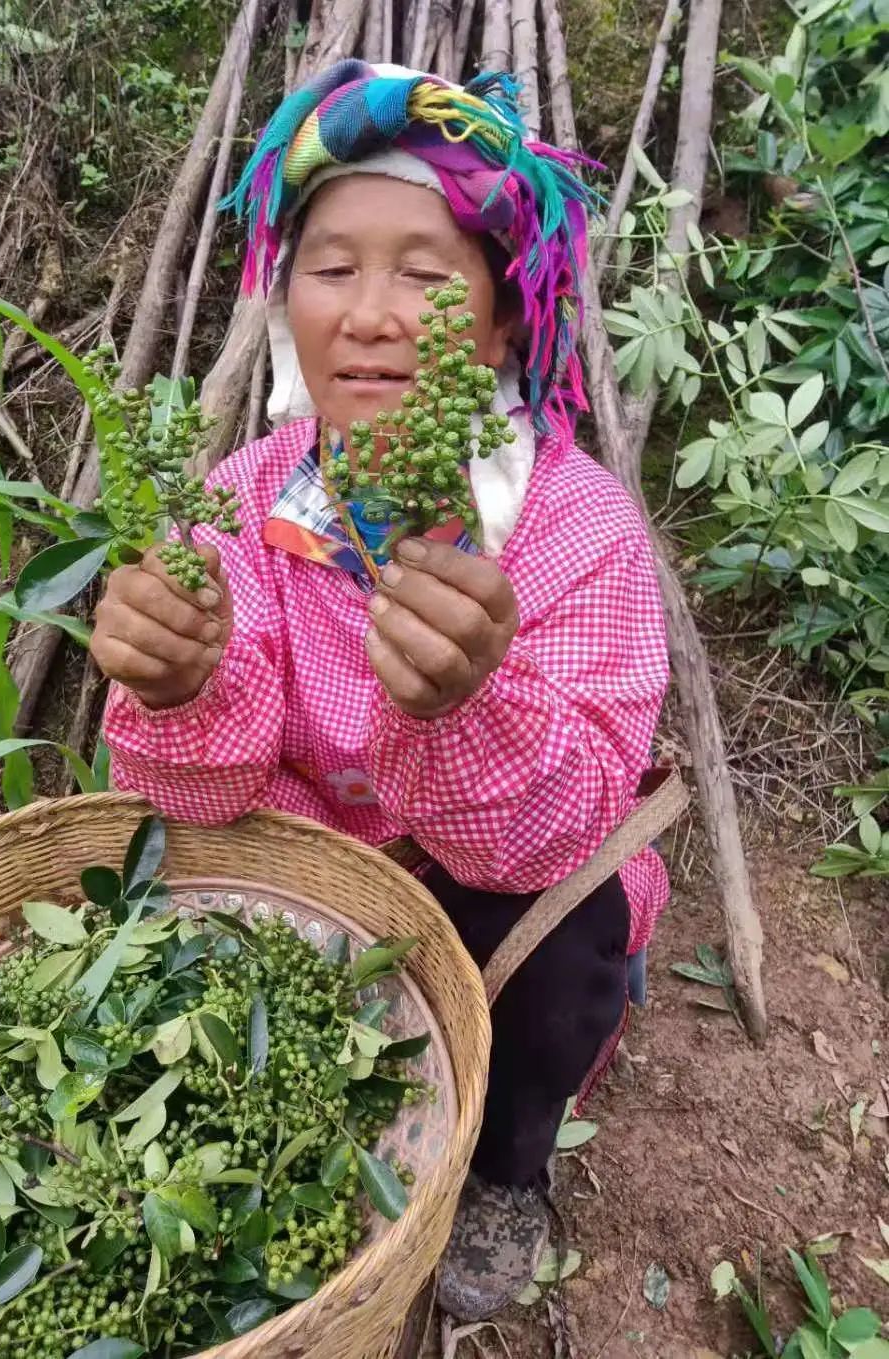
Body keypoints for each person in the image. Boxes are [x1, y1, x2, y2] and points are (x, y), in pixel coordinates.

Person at [91, 59, 669, 1320]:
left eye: (426, 274)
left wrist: (470, 703)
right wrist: (183, 681)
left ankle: (509, 1169)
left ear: (506, 316)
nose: (372, 313)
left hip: (504, 888)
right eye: (334, 269)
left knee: (577, 936)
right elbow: (203, 784)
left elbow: (571, 813)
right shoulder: (246, 501)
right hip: (317, 859)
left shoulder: (578, 534)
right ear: (285, 300)